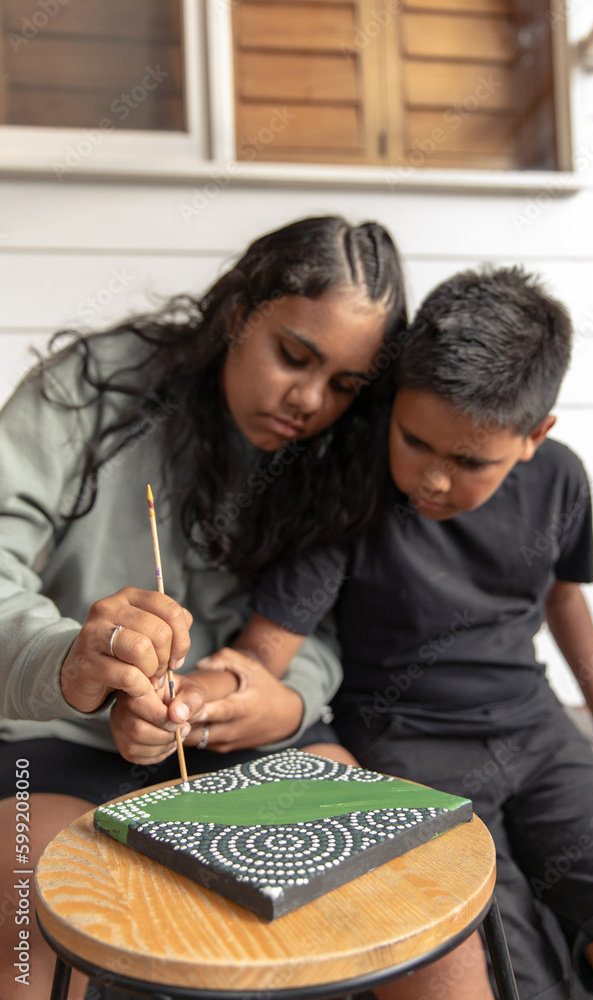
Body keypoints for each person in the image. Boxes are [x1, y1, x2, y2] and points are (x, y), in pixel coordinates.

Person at [0, 215, 415, 1000]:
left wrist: (275, 699)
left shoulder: (335, 454)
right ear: (236, 314)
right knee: (34, 883)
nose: (308, 401)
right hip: (51, 736)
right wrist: (72, 662)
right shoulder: (91, 391)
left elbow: (319, 629)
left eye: (344, 387)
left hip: (230, 740)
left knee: (357, 828)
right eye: (293, 355)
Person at [232, 266, 593, 999]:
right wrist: (226, 687)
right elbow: (264, 651)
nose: (432, 479)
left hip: (535, 733)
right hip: (408, 751)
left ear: (534, 437)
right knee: (502, 968)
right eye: (415, 442)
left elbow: (564, 602)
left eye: (467, 462)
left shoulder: (561, 479)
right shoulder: (348, 485)